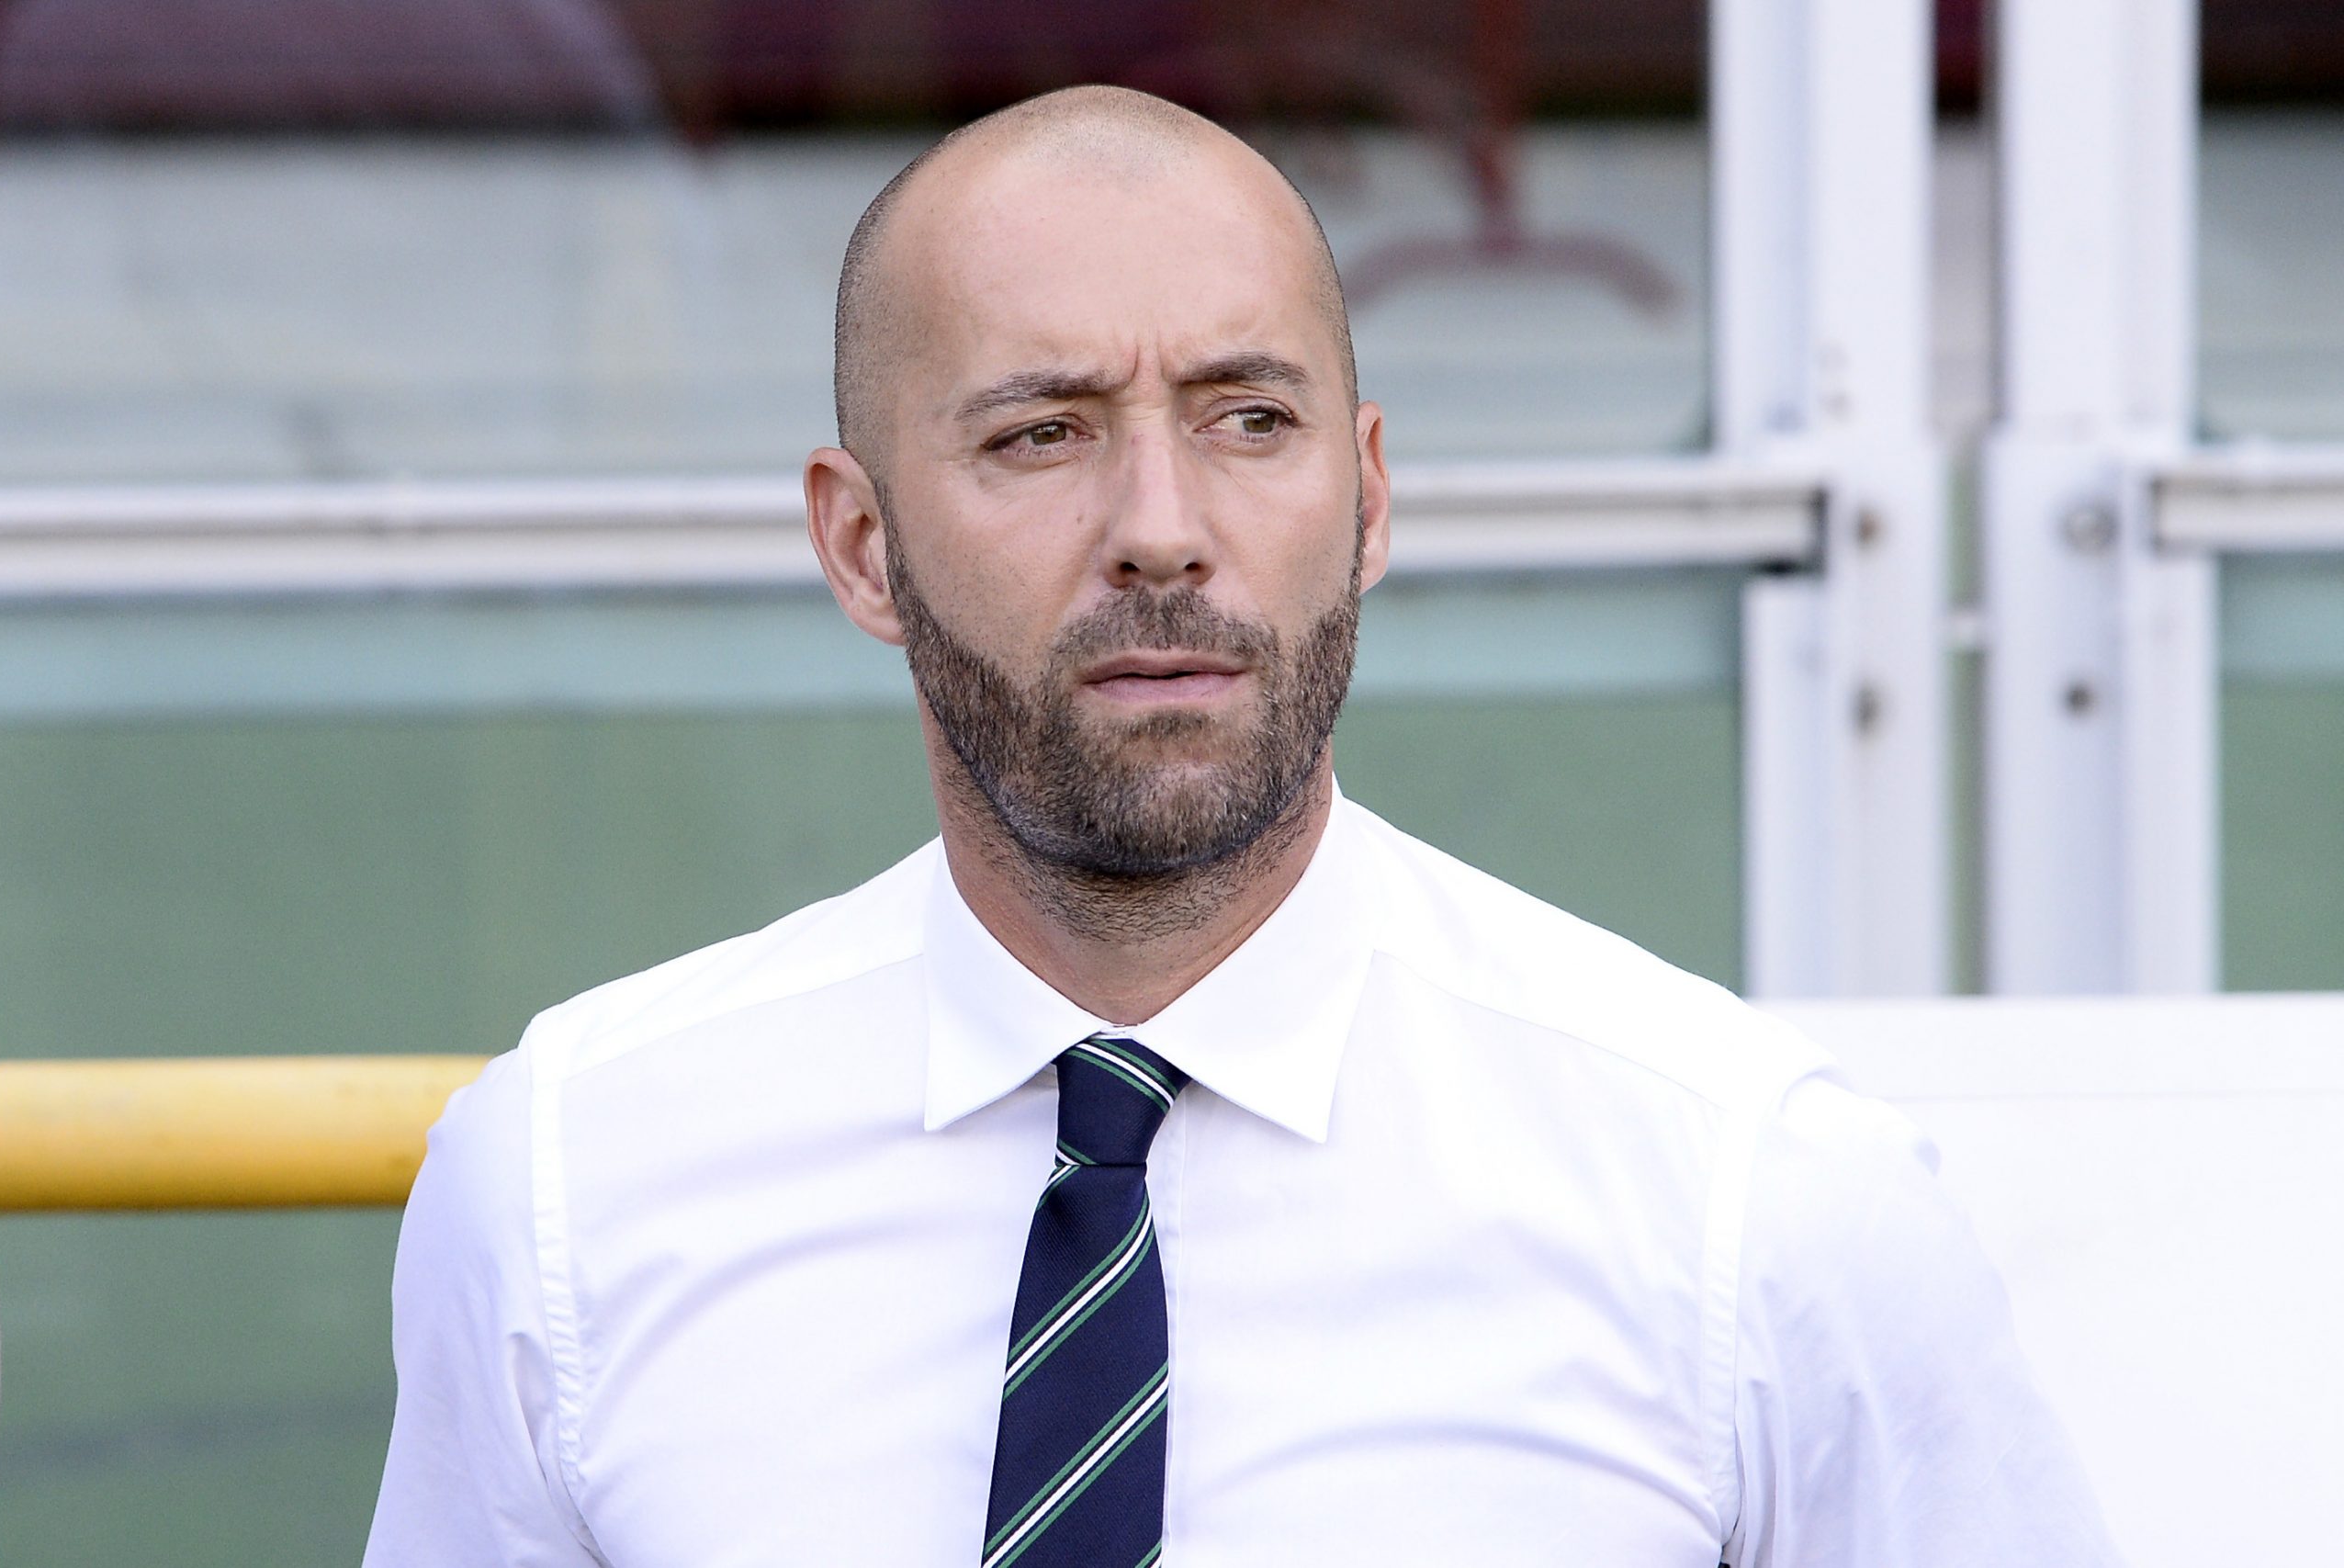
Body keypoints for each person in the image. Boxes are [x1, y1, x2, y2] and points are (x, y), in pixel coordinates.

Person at [365, 85, 2121, 1567]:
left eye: (1250, 420)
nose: (1160, 525)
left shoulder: (1752, 1204)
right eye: (1041, 434)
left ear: (1369, 497)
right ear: (861, 546)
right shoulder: (571, 1188)